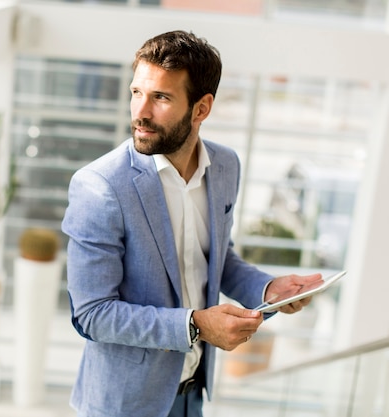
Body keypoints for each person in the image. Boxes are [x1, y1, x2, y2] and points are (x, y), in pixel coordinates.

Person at [61, 30, 322, 417]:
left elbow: (216, 258)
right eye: (137, 92)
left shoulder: (225, 166)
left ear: (201, 109)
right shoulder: (100, 186)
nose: (140, 112)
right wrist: (195, 325)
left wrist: (268, 289)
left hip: (191, 394)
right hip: (125, 404)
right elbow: (92, 313)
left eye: (161, 97)